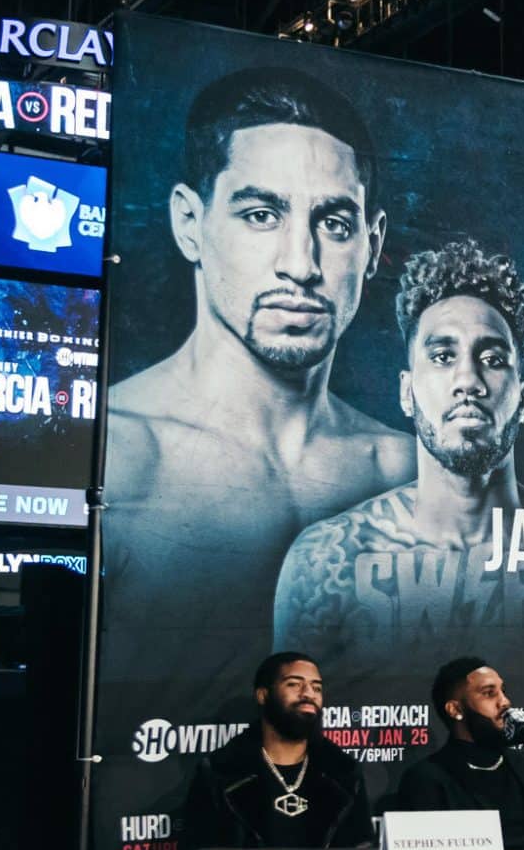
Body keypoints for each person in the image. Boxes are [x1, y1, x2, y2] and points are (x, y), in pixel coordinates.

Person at [271, 238, 524, 811]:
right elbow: (292, 742)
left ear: (522, 397)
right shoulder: (328, 559)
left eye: (493, 359)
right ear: (405, 390)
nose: (468, 380)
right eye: (442, 356)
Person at [104, 67, 414, 677]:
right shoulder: (115, 456)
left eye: (334, 224)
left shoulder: (407, 471)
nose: (300, 264)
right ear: (190, 224)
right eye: (261, 215)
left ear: (373, 247)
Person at [182, 652, 372, 849]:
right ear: (263, 695)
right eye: (294, 684)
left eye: (316, 687)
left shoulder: (345, 775)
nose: (308, 693)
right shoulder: (219, 774)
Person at [390, 657, 524, 845]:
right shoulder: (427, 779)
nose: (505, 702)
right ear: (455, 709)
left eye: (503, 691)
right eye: (489, 693)